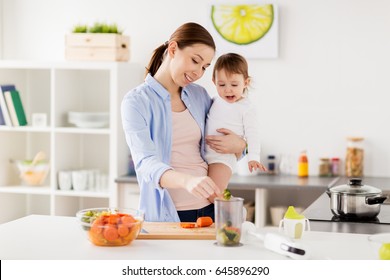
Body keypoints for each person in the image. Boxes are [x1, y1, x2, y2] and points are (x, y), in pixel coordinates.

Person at [121, 22, 246, 222]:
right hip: (168, 215)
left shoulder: (200, 96)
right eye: (195, 61)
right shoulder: (136, 101)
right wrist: (187, 181)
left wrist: (240, 145)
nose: (198, 73)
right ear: (173, 49)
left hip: (210, 210)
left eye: (205, 67)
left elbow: (222, 141)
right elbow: (145, 163)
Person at [205, 53, 267, 200]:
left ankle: (237, 211)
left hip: (222, 158)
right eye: (222, 85)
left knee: (213, 194)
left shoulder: (247, 108)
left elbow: (253, 133)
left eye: (234, 85)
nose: (228, 90)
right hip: (203, 156)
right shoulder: (214, 100)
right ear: (214, 82)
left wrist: (253, 157)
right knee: (204, 192)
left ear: (246, 82)